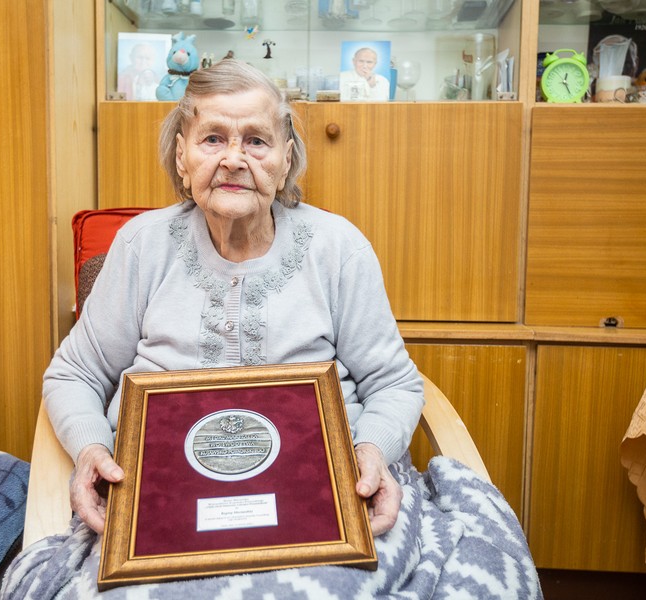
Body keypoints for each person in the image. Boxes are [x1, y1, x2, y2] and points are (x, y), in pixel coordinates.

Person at [43, 58, 424, 539]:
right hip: (158, 494)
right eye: (213, 138)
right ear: (182, 157)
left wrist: (371, 450)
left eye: (257, 141)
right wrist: (91, 449)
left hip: (323, 489)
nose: (234, 159)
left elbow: (394, 383)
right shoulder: (142, 245)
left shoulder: (339, 248)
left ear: (286, 160)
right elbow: (75, 373)